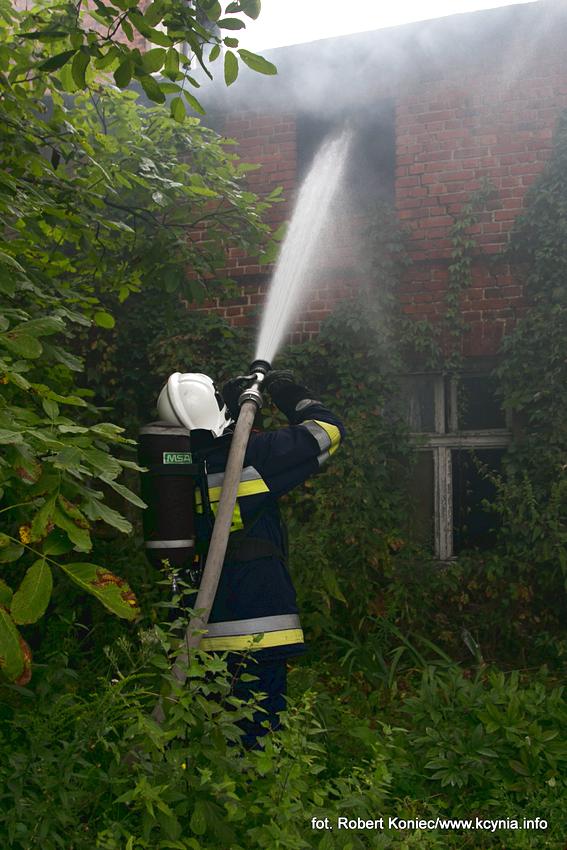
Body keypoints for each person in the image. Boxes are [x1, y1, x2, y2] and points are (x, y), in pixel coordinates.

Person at [155, 368, 345, 748]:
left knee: (210, 743)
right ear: (218, 410)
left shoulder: (172, 476)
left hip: (198, 635)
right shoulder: (252, 456)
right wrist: (285, 391)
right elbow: (328, 430)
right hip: (258, 631)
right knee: (258, 744)